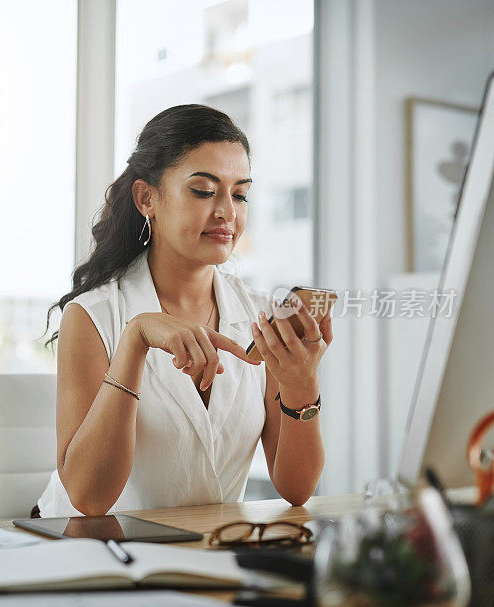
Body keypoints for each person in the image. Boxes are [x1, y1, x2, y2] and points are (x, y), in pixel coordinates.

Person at [35, 104, 332, 518]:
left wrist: (302, 387)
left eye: (241, 194)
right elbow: (89, 498)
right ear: (147, 198)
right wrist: (134, 342)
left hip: (209, 556)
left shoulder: (260, 316)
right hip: (95, 553)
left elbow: (297, 490)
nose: (228, 211)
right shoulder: (92, 315)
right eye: (204, 191)